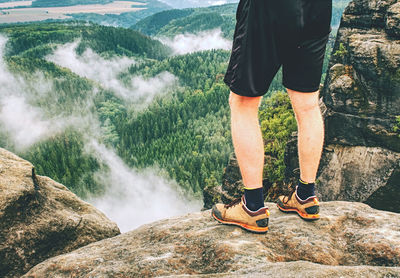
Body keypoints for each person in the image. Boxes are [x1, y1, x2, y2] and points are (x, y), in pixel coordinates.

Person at [211, 0, 332, 233]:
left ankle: (253, 207)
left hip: (269, 8)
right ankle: (306, 196)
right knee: (308, 104)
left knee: (243, 103)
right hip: (318, 7)